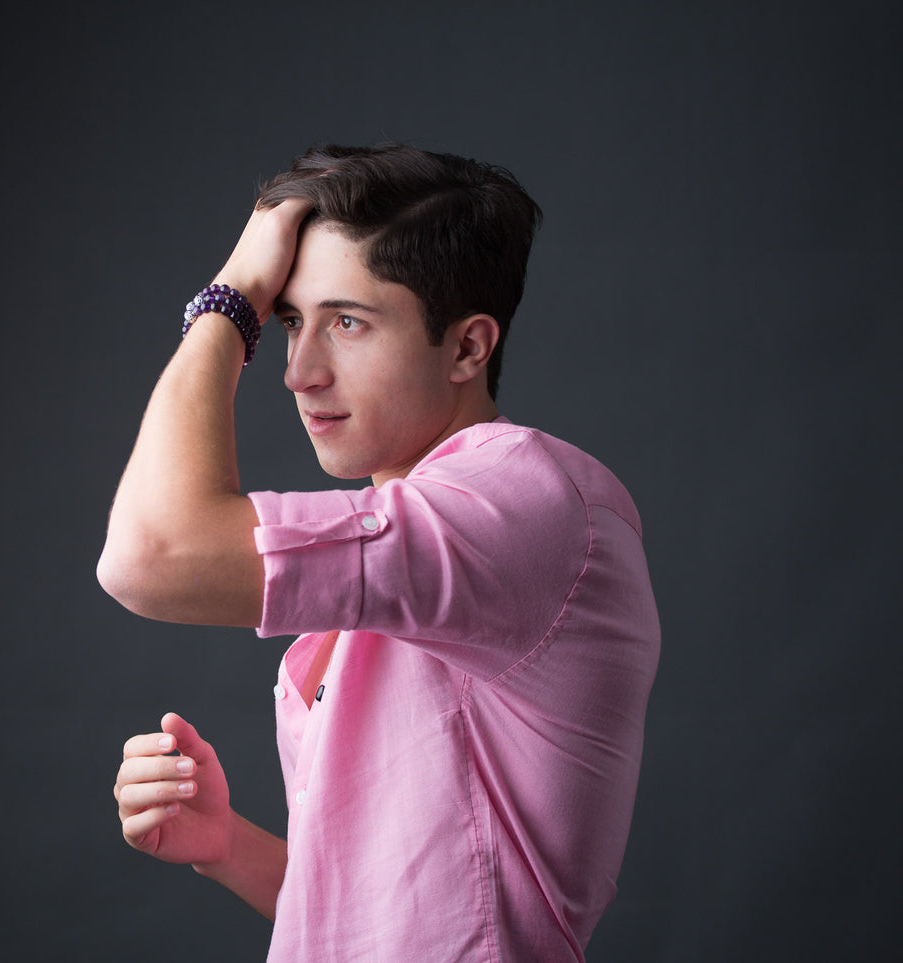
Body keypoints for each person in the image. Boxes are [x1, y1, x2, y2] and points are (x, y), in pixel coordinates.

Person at [97, 144, 660, 961]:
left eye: (348, 322)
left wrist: (231, 297)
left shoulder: (519, 498)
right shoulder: (401, 550)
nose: (297, 371)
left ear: (467, 348)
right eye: (291, 320)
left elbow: (148, 554)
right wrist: (224, 843)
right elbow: (397, 917)